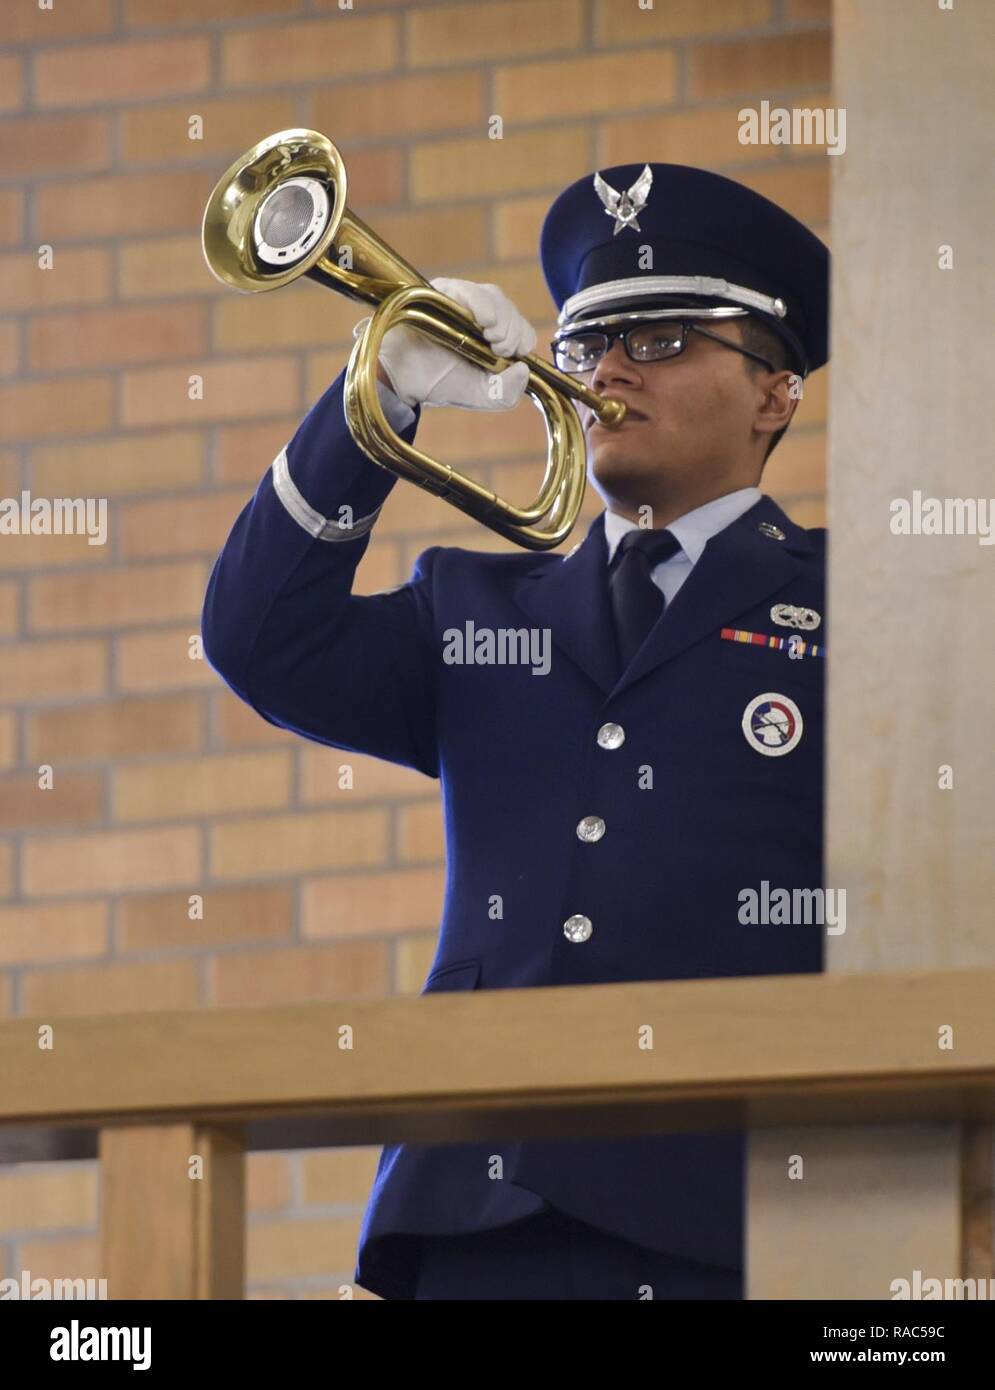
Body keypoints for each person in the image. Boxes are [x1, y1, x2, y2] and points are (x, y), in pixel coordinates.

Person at [201, 161, 830, 1301]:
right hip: (461, 1216)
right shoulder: (476, 606)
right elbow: (258, 640)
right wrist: (377, 394)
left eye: (663, 340)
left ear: (774, 393)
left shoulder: (860, 603)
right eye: (589, 344)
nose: (606, 374)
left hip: (731, 1216)